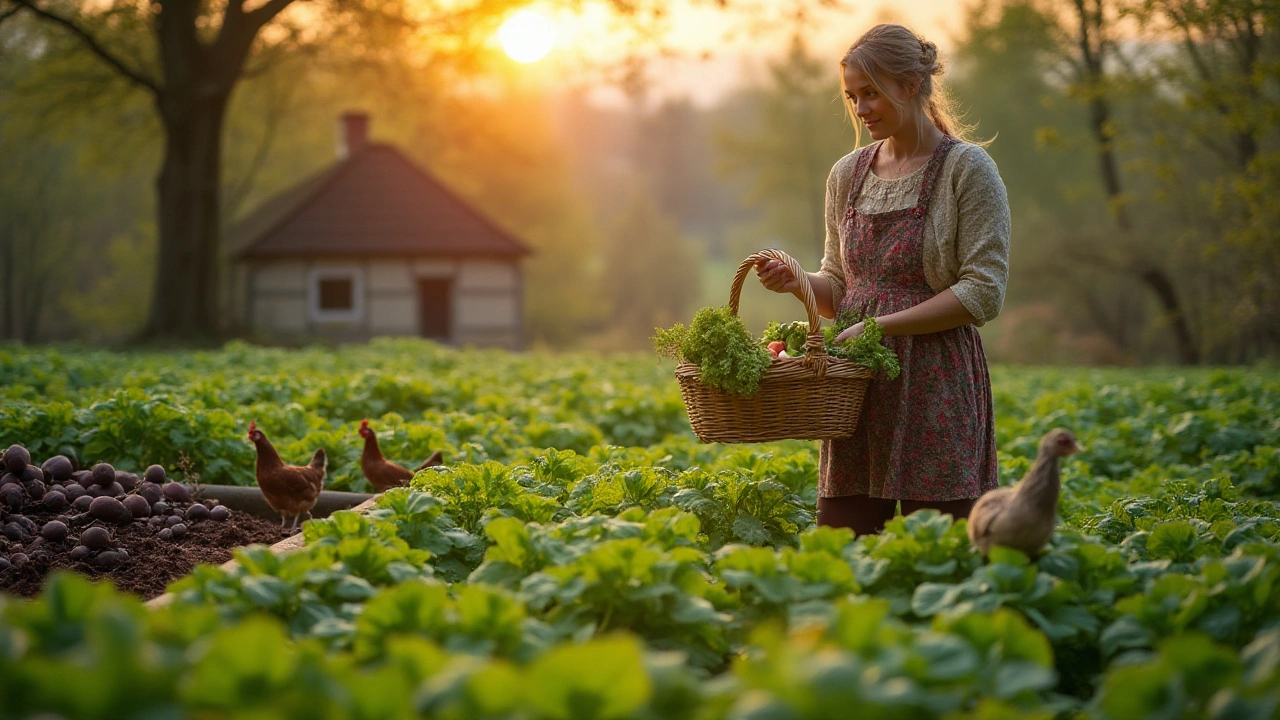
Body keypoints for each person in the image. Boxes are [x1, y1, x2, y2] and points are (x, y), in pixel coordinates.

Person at [755, 23, 1010, 536]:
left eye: (871, 93)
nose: (860, 108)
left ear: (910, 85)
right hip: (858, 387)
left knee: (937, 550)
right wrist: (797, 282)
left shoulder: (968, 170)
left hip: (935, 383)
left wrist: (881, 329)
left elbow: (983, 291)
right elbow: (841, 287)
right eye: (852, 96)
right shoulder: (846, 174)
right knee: (842, 542)